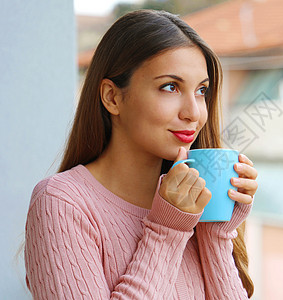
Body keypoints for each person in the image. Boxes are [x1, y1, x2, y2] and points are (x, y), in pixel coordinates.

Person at [24, 10, 258, 299]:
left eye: (201, 91)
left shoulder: (196, 206)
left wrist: (215, 231)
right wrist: (167, 229)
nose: (194, 113)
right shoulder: (61, 203)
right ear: (112, 97)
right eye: (170, 87)